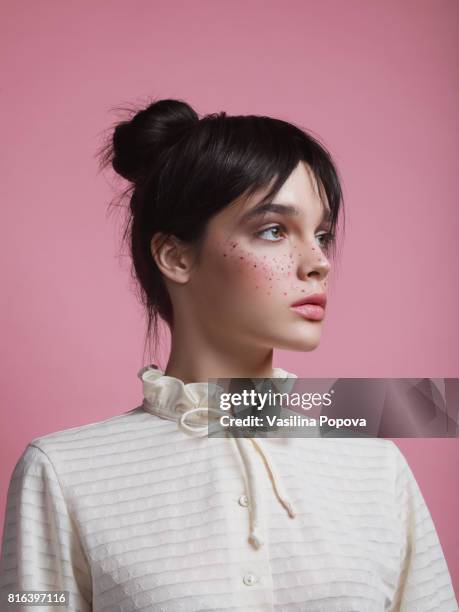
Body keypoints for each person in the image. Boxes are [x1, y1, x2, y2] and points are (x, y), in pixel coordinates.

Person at [0, 98, 457, 612]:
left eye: (323, 235)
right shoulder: (62, 471)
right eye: (274, 230)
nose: (318, 262)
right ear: (175, 255)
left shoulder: (376, 465)